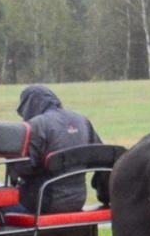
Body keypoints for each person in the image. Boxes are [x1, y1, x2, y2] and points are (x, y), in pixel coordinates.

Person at [11, 85, 101, 214]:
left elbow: (24, 169)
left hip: (42, 201)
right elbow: (99, 155)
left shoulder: (36, 125)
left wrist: (11, 163)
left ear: (28, 105)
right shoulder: (82, 120)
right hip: (78, 199)